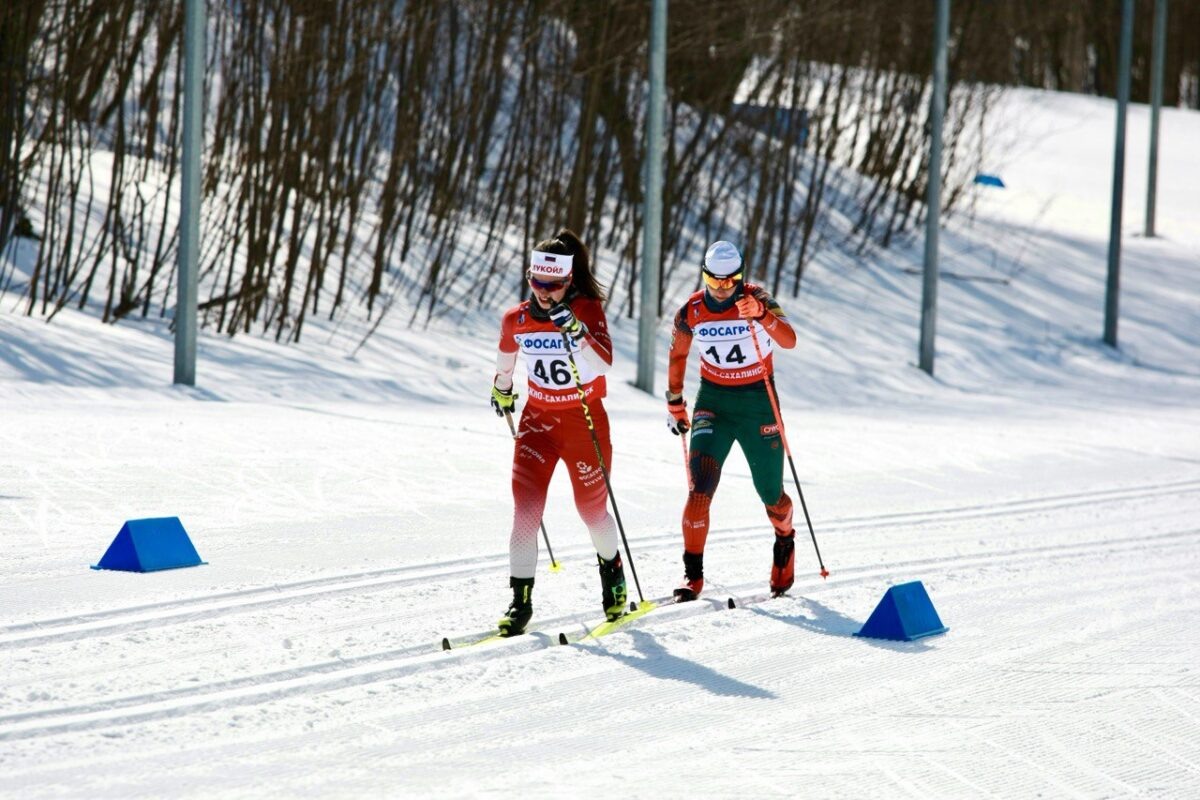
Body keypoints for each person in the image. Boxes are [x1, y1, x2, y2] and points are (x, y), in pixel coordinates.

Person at [489, 229, 626, 635]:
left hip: (584, 423)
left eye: (554, 286)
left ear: (568, 281)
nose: (544, 293)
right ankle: (520, 602)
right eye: (537, 284)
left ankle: (612, 572)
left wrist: (577, 333)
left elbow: (603, 364)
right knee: (525, 512)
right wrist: (502, 386)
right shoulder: (518, 317)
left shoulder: (587, 309)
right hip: (538, 424)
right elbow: (506, 352)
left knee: (591, 511)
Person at [664, 240, 799, 601]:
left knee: (770, 493)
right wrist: (675, 401)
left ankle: (785, 541)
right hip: (714, 402)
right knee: (699, 490)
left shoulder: (757, 298)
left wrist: (761, 314)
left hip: (758, 402)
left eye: (731, 280)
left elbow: (789, 341)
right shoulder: (691, 310)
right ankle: (692, 575)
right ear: (704, 275)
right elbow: (677, 355)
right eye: (715, 280)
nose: (724, 288)